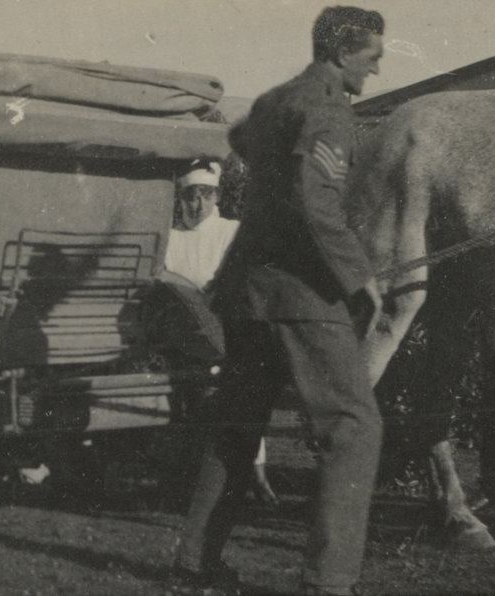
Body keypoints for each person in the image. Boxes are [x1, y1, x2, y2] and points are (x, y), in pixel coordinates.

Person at [171, 6, 385, 595]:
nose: (376, 69)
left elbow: (240, 138)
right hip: (302, 296)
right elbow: (315, 202)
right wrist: (358, 278)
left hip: (247, 293)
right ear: (342, 53)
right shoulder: (329, 108)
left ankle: (195, 566)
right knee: (354, 428)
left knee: (236, 429)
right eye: (372, 57)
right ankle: (329, 583)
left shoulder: (274, 101)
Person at [163, 160, 278, 507]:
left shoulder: (232, 231)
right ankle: (195, 481)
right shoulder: (170, 238)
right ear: (180, 198)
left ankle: (256, 472)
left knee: (241, 391)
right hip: (185, 336)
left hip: (230, 327)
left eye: (206, 196)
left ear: (217, 196)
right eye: (190, 196)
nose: (197, 205)